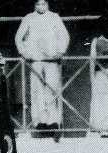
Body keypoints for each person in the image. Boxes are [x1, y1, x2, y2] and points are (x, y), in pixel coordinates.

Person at [15, 0, 69, 136]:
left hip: (51, 58)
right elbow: (18, 37)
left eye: (43, 4)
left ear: (47, 4)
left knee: (52, 88)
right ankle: (40, 121)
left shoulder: (54, 17)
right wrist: (25, 53)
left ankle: (53, 121)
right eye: (38, 4)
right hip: (36, 59)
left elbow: (64, 35)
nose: (41, 7)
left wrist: (60, 51)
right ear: (34, 5)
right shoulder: (29, 18)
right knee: (36, 89)